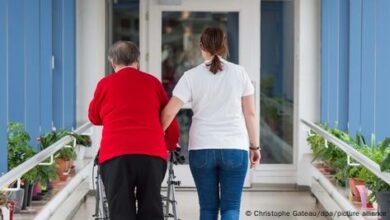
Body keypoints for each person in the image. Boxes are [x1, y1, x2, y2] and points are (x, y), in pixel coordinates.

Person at [160, 27, 261, 220]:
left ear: (201, 47)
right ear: (224, 46)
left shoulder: (190, 76)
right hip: (235, 148)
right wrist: (254, 146)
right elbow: (250, 113)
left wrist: (156, 140)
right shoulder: (240, 73)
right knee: (231, 208)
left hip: (202, 149)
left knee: (207, 209)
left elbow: (169, 112)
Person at [88, 41, 179, 220]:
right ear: (137, 60)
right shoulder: (152, 82)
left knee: (120, 209)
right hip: (151, 154)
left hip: (116, 155)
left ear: (112, 62)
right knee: (151, 205)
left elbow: (94, 117)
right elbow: (170, 117)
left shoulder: (105, 84)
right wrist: (169, 145)